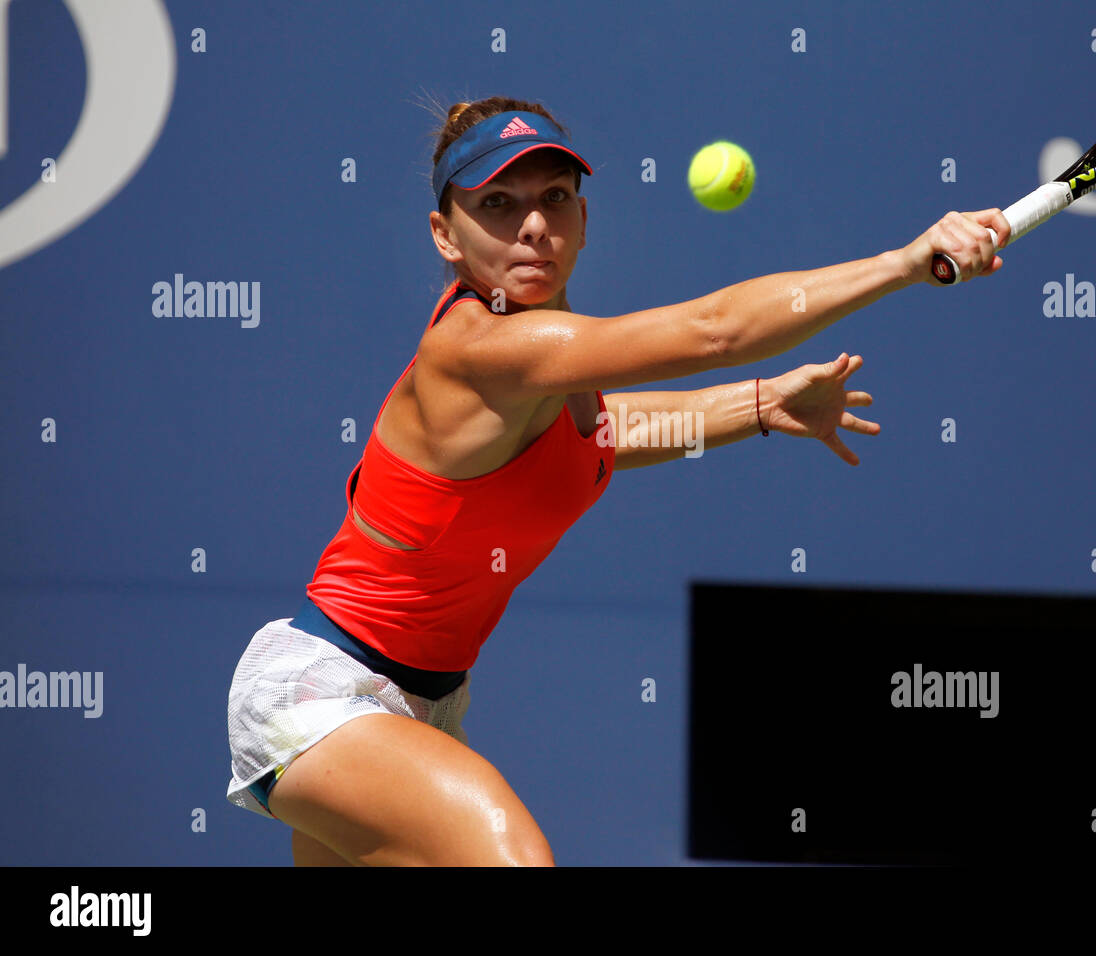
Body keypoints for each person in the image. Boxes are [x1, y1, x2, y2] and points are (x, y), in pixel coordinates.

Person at [225, 96, 1010, 866]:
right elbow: (715, 331)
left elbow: (608, 436)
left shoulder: (556, 388)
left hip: (423, 706)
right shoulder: (477, 349)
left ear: (584, 220)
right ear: (445, 236)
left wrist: (761, 404)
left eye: (554, 199)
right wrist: (906, 264)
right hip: (322, 693)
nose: (533, 224)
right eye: (497, 203)